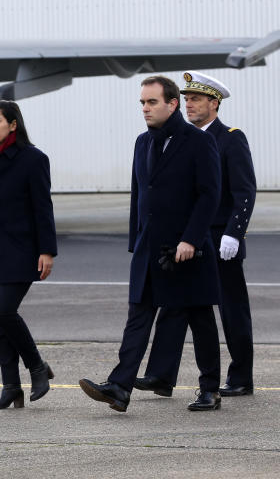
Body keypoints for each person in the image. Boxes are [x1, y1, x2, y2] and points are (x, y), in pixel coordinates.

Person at [80, 75, 222, 412]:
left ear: (172, 104)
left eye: (152, 102)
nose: (145, 108)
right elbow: (139, 196)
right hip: (149, 250)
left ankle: (210, 389)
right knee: (138, 317)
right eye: (142, 103)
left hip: (187, 251)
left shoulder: (198, 142)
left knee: (200, 319)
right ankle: (119, 387)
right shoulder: (142, 143)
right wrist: (136, 241)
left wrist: (191, 238)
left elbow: (209, 195)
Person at [135, 71, 257, 398]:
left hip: (220, 240)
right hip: (188, 238)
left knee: (232, 311)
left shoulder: (230, 138)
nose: (190, 105)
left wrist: (234, 233)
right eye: (187, 100)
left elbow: (244, 192)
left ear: (214, 104)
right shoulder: (179, 139)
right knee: (178, 307)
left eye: (197, 100)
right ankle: (161, 375)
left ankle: (241, 376)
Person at [0, 100, 57, 409]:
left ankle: (37, 366)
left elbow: (42, 207)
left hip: (23, 251)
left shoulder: (33, 159)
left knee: (4, 312)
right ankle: (11, 386)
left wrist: (47, 250)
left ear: (13, 124)